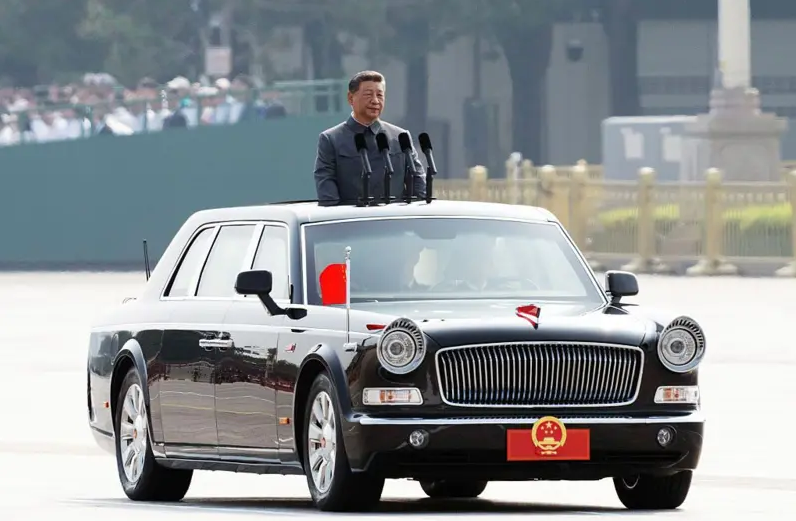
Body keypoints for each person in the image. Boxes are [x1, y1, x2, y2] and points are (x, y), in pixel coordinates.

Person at [313, 71, 426, 206]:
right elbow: (327, 192)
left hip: (394, 217)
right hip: (350, 218)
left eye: (380, 95)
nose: (375, 101)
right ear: (350, 98)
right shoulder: (331, 139)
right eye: (368, 95)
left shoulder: (401, 137)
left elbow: (419, 185)